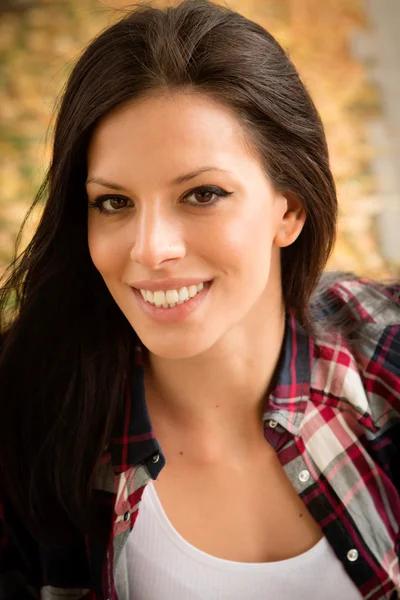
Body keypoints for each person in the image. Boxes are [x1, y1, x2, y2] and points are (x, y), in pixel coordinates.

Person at [0, 0, 399, 598]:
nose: (150, 248)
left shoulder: (387, 355)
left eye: (202, 193)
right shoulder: (23, 423)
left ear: (288, 208)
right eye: (114, 202)